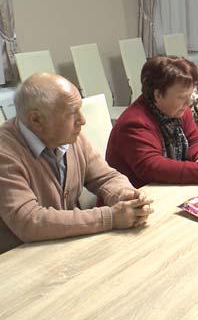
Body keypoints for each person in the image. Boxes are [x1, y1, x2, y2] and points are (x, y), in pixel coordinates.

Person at [0, 73, 153, 253]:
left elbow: (106, 177)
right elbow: (29, 221)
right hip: (20, 261)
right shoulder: (6, 153)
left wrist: (126, 196)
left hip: (65, 248)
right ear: (36, 120)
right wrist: (110, 217)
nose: (82, 120)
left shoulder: (70, 138)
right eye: (73, 113)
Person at [106, 56, 198, 188]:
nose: (188, 102)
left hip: (167, 188)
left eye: (190, 95)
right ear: (157, 95)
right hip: (134, 198)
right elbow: (153, 168)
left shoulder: (177, 109)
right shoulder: (134, 123)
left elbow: (196, 139)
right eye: (182, 97)